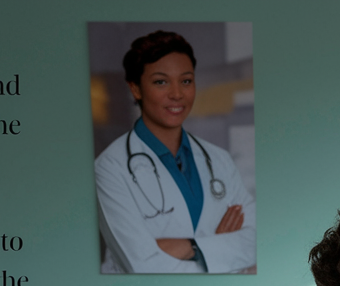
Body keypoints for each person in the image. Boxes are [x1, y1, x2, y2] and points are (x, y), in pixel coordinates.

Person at [95, 30, 255, 273]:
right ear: (136, 89)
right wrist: (220, 251)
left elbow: (255, 242)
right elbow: (142, 267)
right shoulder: (109, 167)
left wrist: (191, 247)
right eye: (161, 81)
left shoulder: (218, 159)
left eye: (186, 80)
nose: (177, 93)